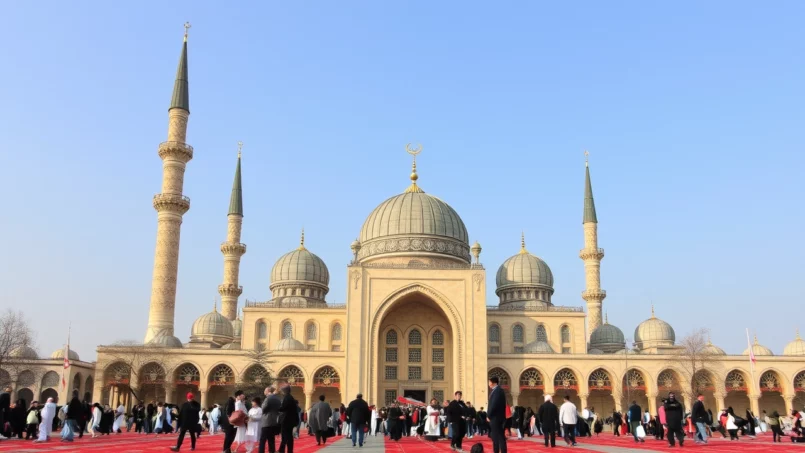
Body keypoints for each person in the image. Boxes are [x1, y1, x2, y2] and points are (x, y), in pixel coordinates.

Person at [486, 376, 508, 453]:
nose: (488, 384)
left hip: (495, 418)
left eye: (489, 382)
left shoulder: (497, 391)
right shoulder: (498, 391)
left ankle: (496, 451)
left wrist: (489, 415)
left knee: (496, 437)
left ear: (494, 383)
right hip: (498, 417)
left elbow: (493, 405)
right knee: (500, 436)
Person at [259, 386, 281, 453]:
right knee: (271, 439)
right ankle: (272, 451)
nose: (264, 392)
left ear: (268, 391)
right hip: (274, 421)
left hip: (266, 421)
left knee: (263, 440)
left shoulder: (268, 399)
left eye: (265, 390)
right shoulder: (278, 399)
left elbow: (263, 409)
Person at [278, 385, 298, 453]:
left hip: (286, 420)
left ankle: (282, 450)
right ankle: (288, 450)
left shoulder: (287, 398)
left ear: (284, 391)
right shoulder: (290, 397)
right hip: (290, 420)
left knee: (285, 436)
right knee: (289, 437)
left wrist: (277, 408)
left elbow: (283, 408)